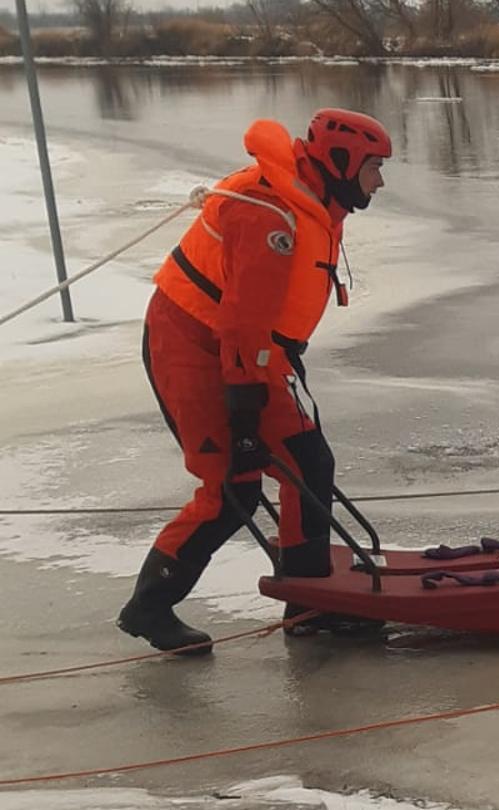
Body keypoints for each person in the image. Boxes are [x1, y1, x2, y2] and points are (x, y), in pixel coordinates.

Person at [119, 109, 393, 654]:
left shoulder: (312, 199)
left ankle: (309, 600)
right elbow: (241, 321)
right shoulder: (269, 216)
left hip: (257, 350)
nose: (379, 182)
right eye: (374, 168)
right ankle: (150, 605)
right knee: (230, 489)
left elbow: (257, 324)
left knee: (308, 461)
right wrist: (243, 417)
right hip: (193, 344)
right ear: (340, 163)